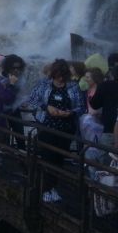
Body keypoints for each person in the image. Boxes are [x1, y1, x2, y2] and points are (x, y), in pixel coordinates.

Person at [25, 59, 86, 203]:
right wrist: (47, 108)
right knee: (47, 157)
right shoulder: (44, 84)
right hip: (46, 126)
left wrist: (70, 113)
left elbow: (82, 107)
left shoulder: (73, 87)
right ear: (53, 73)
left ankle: (52, 187)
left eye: (62, 75)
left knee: (58, 159)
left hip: (65, 129)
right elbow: (31, 99)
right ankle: (45, 189)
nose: (60, 78)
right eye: (58, 75)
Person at [0, 54, 27, 149]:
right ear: (8, 67)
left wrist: (22, 102)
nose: (16, 70)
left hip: (14, 109)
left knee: (20, 135)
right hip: (1, 111)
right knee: (3, 137)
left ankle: (21, 155)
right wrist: (11, 84)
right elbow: (4, 97)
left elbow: (20, 93)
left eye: (18, 68)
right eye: (13, 68)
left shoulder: (20, 78)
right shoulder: (1, 79)